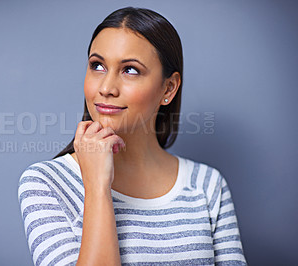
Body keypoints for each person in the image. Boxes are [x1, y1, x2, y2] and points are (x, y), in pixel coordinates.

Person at [18, 6, 247, 265]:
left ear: (168, 88)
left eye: (130, 70)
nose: (106, 88)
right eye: (97, 66)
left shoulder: (208, 185)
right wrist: (96, 187)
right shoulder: (46, 183)